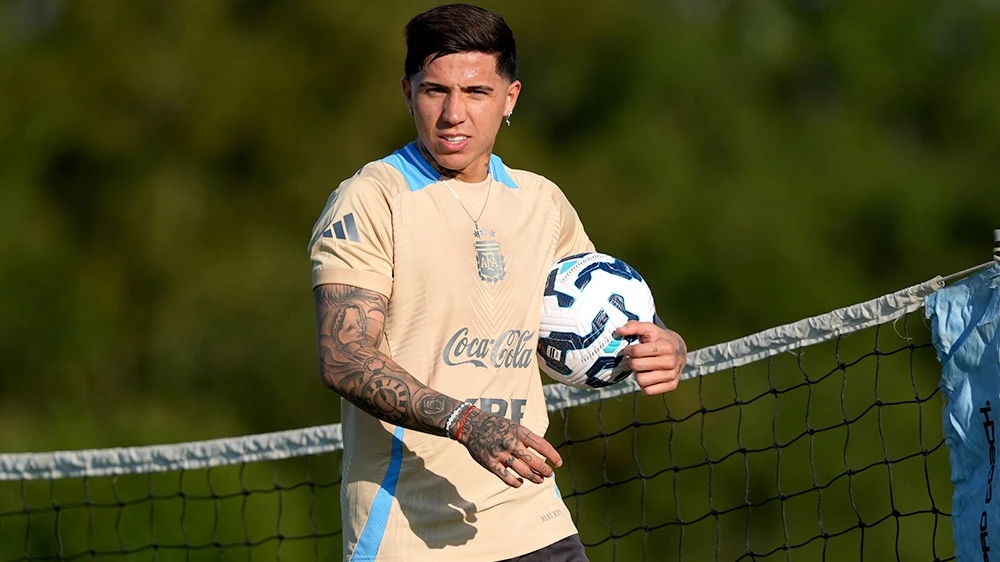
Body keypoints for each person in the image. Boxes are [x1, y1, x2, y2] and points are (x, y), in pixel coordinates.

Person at [309, 4, 687, 561]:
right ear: (408, 92)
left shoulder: (542, 201)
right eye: (435, 90)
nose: (452, 114)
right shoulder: (371, 199)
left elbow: (597, 313)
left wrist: (663, 343)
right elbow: (344, 357)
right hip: (413, 536)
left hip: (532, 520)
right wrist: (467, 423)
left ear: (510, 97)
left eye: (476, 92)